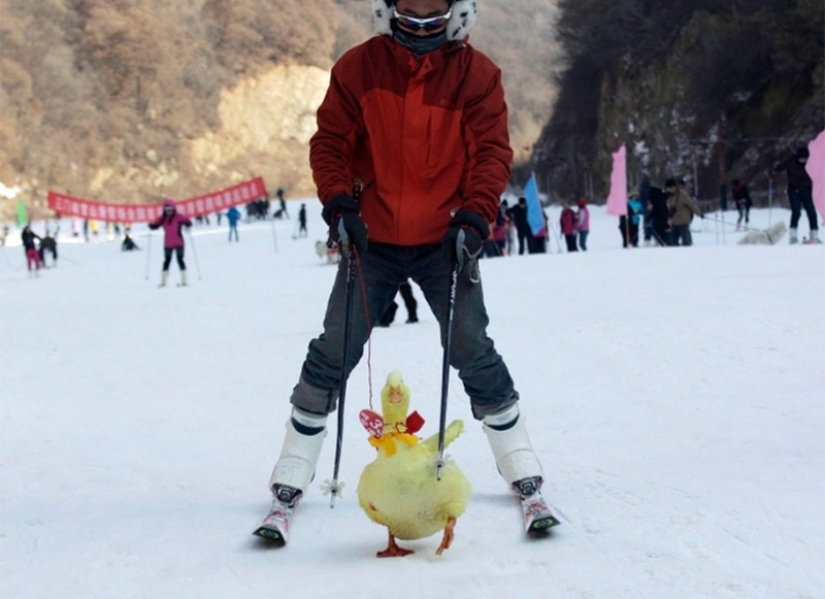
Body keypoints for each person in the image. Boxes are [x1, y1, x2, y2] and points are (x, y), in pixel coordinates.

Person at [265, 0, 549, 522]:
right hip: (372, 237)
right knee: (336, 345)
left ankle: (519, 460)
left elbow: (491, 152)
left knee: (470, 343)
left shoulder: (477, 76)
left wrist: (474, 215)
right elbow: (329, 141)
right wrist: (339, 203)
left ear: (458, 13)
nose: (420, 28)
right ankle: (294, 464)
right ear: (387, 9)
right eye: (410, 16)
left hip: (445, 238)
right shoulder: (359, 68)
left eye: (432, 18)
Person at [772, 147, 819, 244]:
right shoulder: (791, 161)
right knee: (796, 211)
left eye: (805, 159)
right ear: (797, 157)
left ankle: (814, 236)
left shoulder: (812, 163)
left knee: (812, 212)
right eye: (801, 159)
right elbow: (779, 168)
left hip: (807, 190)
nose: (803, 161)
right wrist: (773, 170)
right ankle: (793, 237)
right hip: (794, 190)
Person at [148, 198, 192, 287]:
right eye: (167, 210)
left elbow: (188, 221)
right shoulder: (163, 219)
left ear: (173, 209)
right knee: (167, 261)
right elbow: (156, 225)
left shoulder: (179, 217)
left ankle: (184, 280)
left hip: (179, 242)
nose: (169, 212)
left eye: (170, 210)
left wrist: (188, 224)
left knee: (180, 260)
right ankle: (163, 281)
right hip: (168, 243)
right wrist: (151, 226)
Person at [665, 178, 702, 246]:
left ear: (673, 187)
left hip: (683, 221)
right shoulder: (669, 196)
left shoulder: (682, 194)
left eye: (669, 188)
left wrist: (699, 213)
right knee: (673, 243)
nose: (668, 190)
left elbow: (691, 204)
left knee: (686, 242)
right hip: (674, 222)